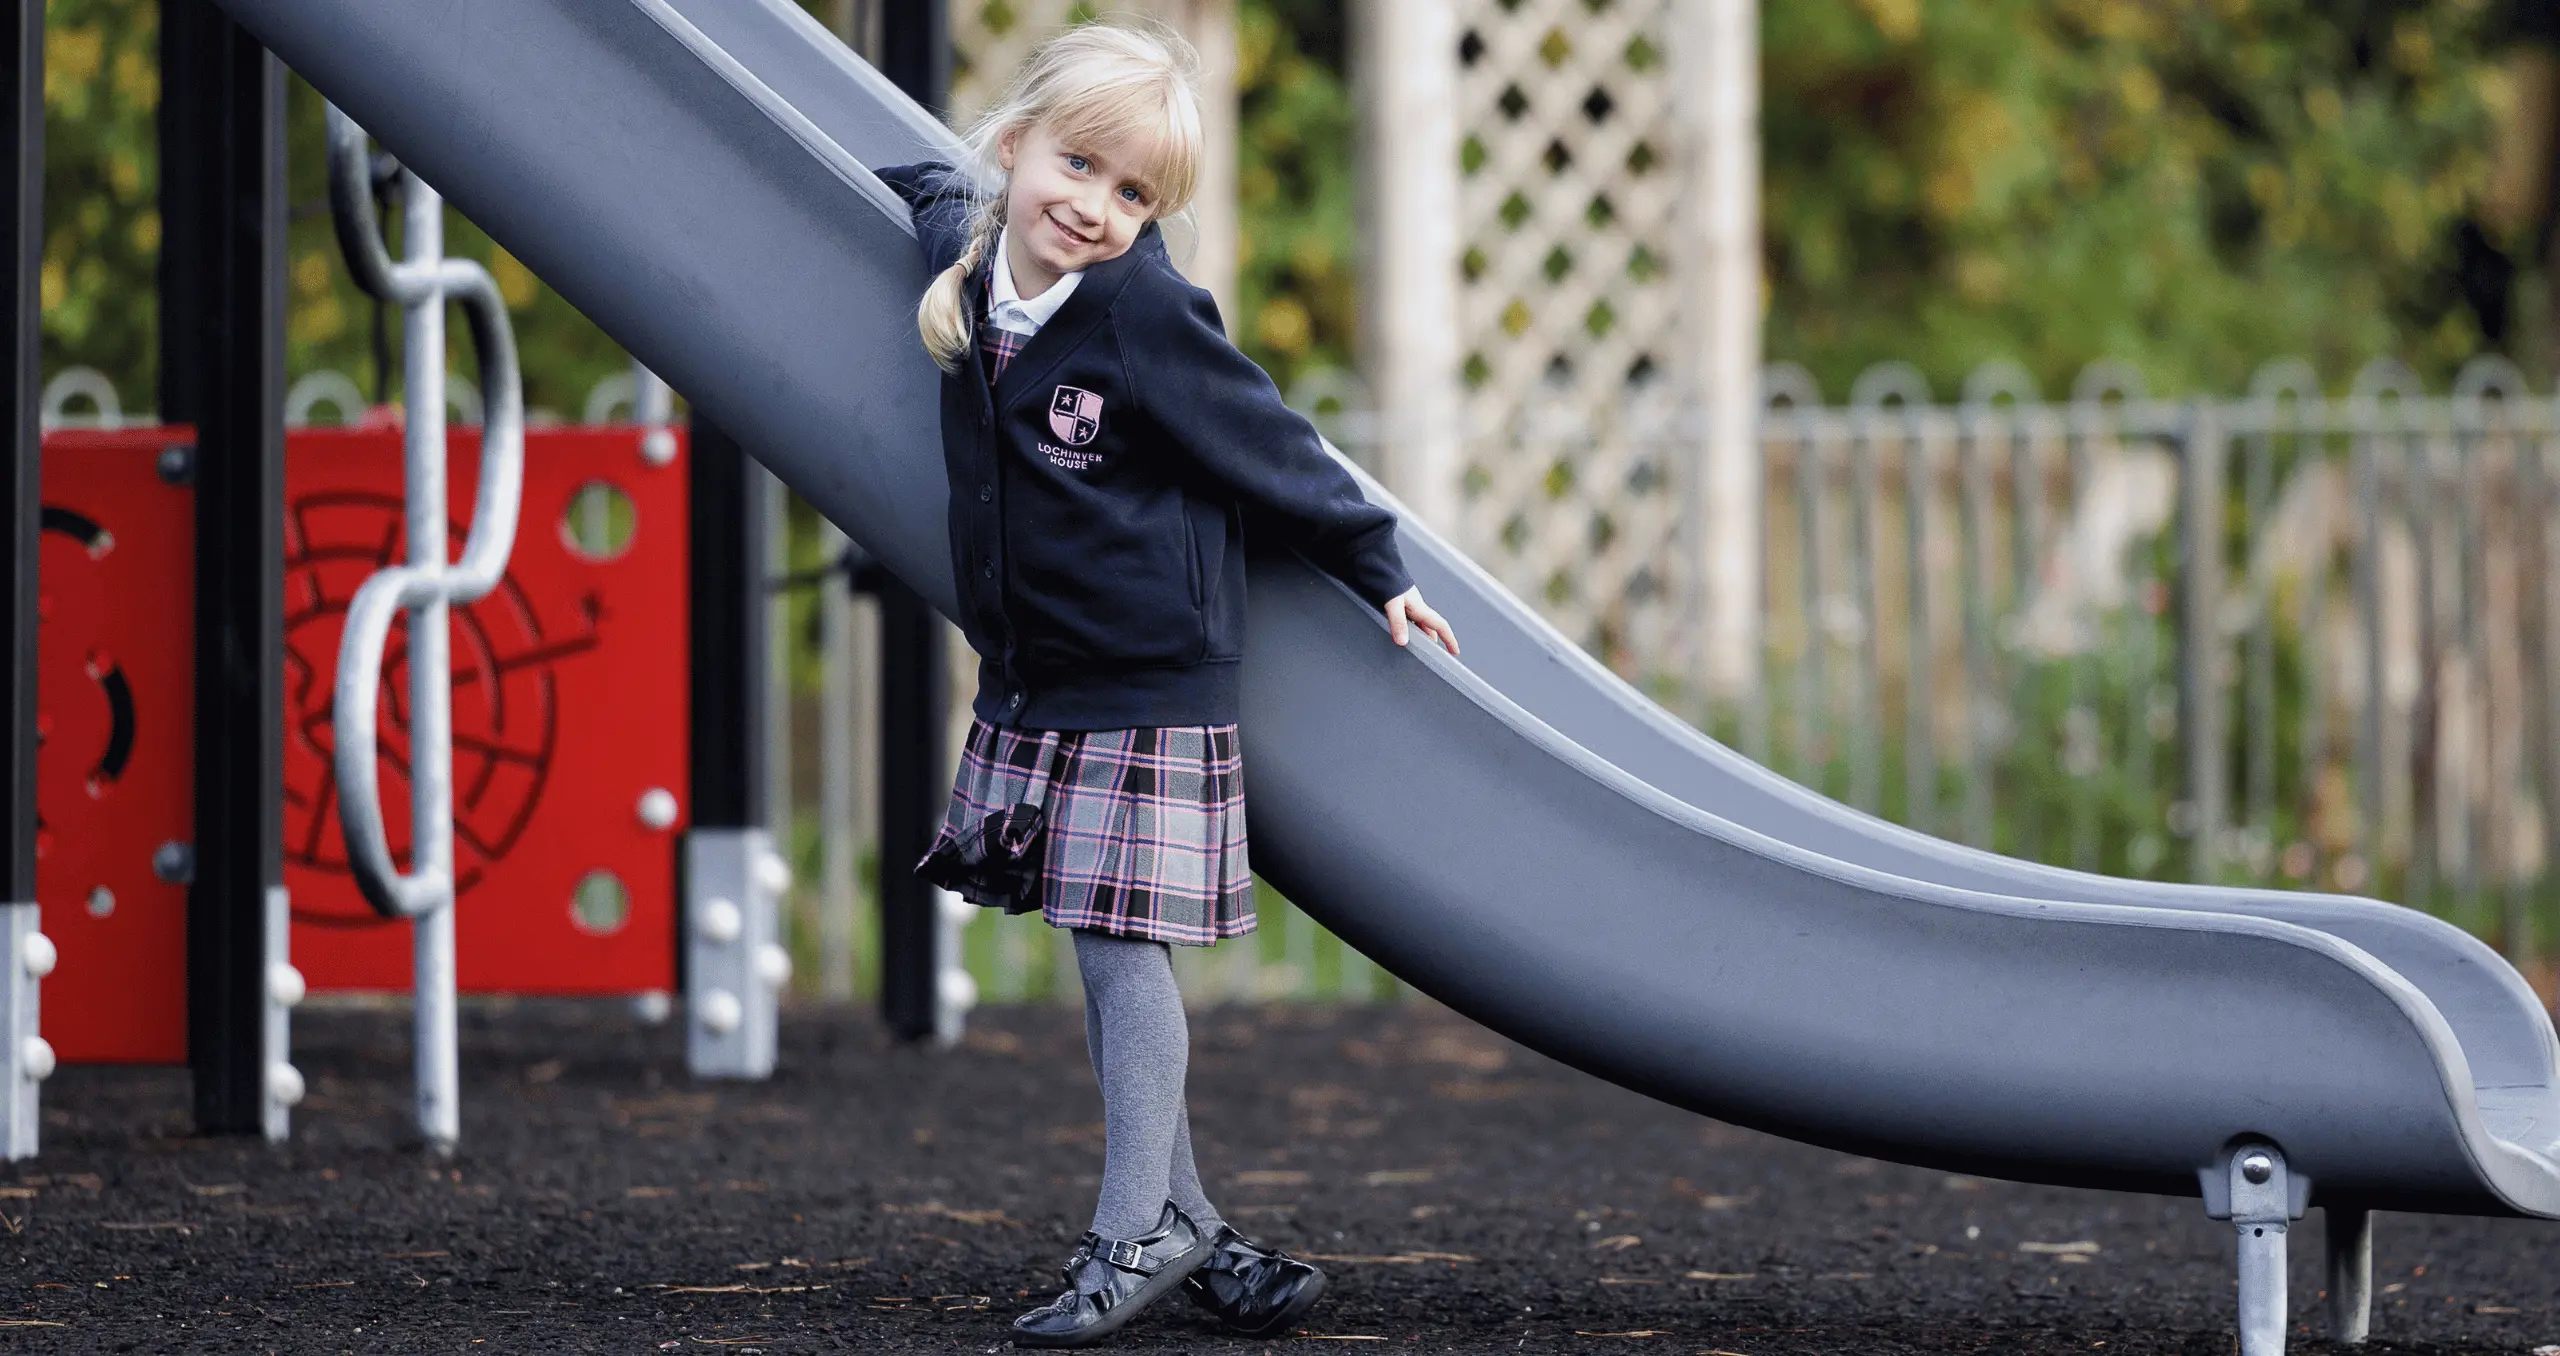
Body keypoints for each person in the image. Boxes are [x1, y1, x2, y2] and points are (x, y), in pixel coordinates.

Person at [874, 16, 1459, 1350]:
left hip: (1146, 674)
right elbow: (927, 199)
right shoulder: (969, 275)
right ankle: (1199, 1235)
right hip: (1040, 672)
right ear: (1014, 149)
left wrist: (1376, 564)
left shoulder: (1143, 313)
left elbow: (1266, 439)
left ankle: (1133, 1228)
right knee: (1099, 954)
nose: (1095, 208)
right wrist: (890, 175)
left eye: (1135, 194)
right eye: (1078, 167)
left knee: (1121, 951)